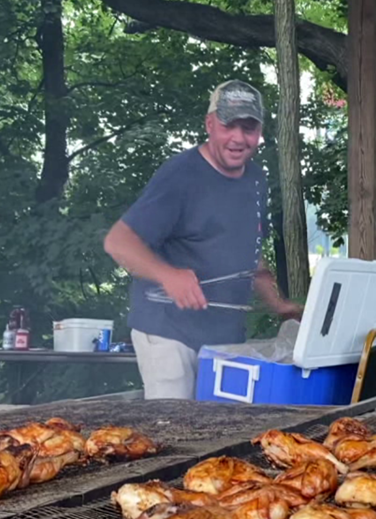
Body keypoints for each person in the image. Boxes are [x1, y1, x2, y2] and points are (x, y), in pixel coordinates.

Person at [104, 79, 302, 400]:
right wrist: (168, 275)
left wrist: (277, 303)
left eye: (249, 127)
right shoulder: (180, 175)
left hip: (224, 338)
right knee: (177, 431)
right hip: (168, 332)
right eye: (229, 125)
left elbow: (249, 254)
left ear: (260, 131)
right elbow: (118, 242)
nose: (238, 138)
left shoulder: (256, 178)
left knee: (219, 433)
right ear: (210, 124)